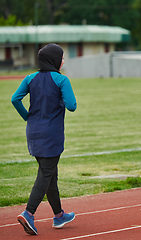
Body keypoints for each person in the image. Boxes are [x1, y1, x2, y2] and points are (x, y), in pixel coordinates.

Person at [11, 43, 77, 235]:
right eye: (62, 57)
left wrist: (27, 116)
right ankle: (28, 213)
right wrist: (60, 99)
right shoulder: (62, 80)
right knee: (46, 174)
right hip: (51, 134)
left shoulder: (30, 78)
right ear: (55, 60)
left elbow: (15, 99)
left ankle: (59, 215)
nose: (63, 61)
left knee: (50, 175)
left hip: (32, 132)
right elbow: (72, 106)